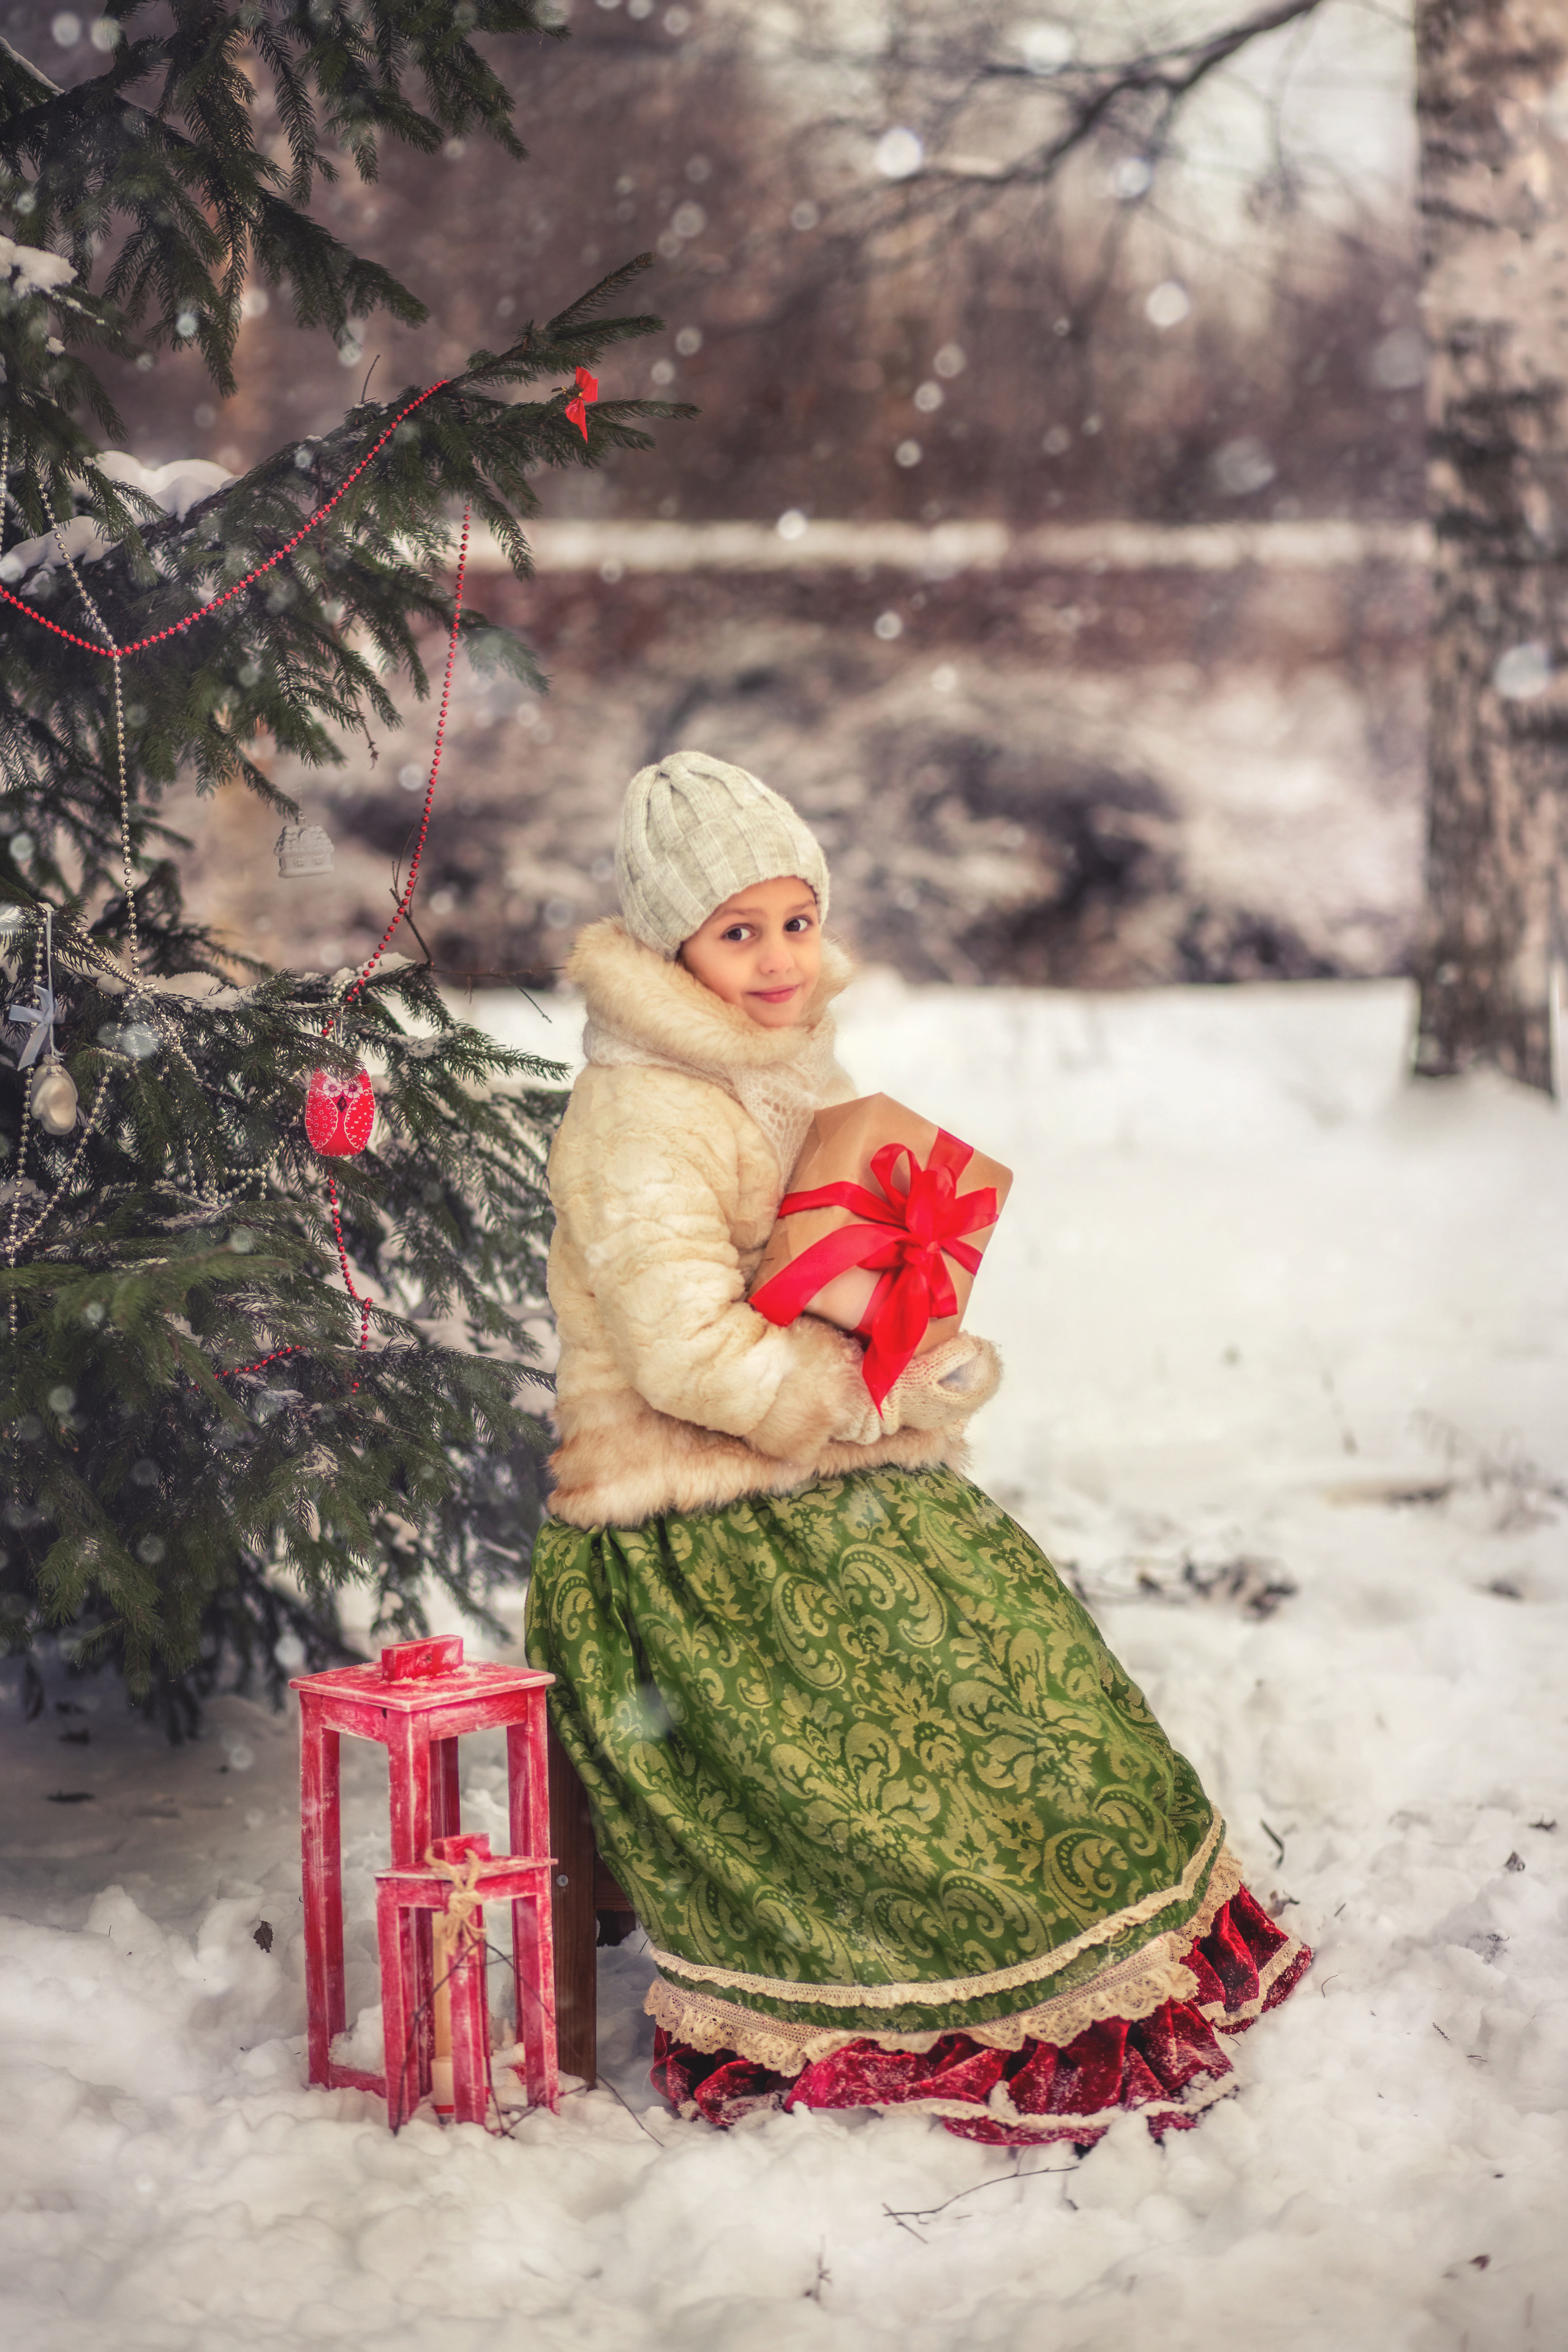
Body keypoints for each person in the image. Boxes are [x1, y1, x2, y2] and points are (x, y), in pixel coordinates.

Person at [525, 749, 1309, 2145]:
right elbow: (682, 1352)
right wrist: (850, 1396)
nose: (777, 958)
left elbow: (829, 1272)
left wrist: (913, 1346)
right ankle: (950, 1966)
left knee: (1020, 1672)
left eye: (795, 920)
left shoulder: (774, 1071)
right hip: (683, 1525)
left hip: (817, 1483)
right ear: (669, 946)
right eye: (736, 930)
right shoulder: (640, 1113)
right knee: (910, 1727)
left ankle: (1079, 1921)